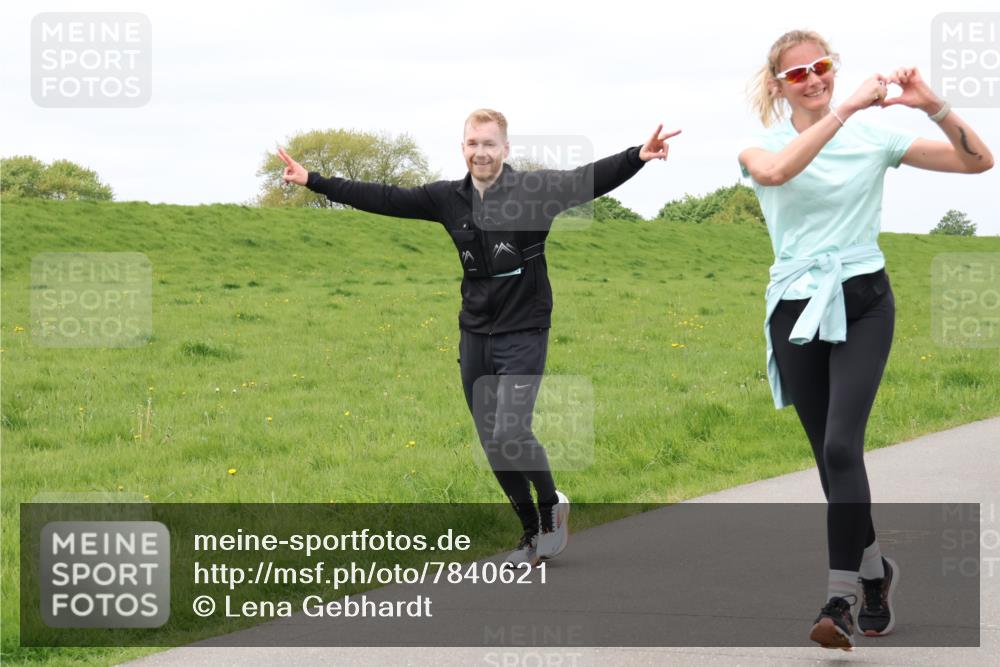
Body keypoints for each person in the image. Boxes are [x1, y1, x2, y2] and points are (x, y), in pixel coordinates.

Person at [279, 109, 680, 567]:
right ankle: (531, 534)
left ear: (505, 150)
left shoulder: (533, 192)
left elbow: (586, 179)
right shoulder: (447, 198)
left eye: (489, 144)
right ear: (463, 148)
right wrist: (315, 180)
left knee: (510, 430)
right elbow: (385, 197)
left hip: (525, 328)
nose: (480, 152)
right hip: (475, 333)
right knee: (491, 441)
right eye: (473, 143)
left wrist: (638, 156)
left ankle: (552, 504)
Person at [738, 30, 993, 651]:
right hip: (796, 308)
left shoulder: (876, 138)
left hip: (863, 301)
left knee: (843, 446)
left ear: (833, 68)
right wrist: (846, 108)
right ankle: (877, 574)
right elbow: (776, 171)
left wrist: (930, 103)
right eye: (797, 74)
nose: (814, 79)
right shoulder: (760, 146)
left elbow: (978, 161)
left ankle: (839, 599)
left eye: (821, 67)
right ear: (778, 85)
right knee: (831, 461)